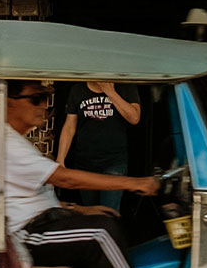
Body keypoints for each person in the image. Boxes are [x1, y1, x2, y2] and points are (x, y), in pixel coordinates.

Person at [0, 80, 179, 268]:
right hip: (28, 238)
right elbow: (65, 179)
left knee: (107, 220)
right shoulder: (5, 144)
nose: (44, 106)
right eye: (37, 99)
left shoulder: (15, 141)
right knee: (100, 232)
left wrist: (80, 209)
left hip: (48, 219)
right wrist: (134, 183)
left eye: (45, 98)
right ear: (10, 103)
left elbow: (39, 196)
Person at [55, 80, 143, 215]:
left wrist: (109, 91)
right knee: (90, 213)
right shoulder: (78, 89)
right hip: (85, 163)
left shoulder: (125, 86)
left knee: (109, 213)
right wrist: (60, 159)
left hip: (113, 163)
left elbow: (134, 118)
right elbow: (69, 126)